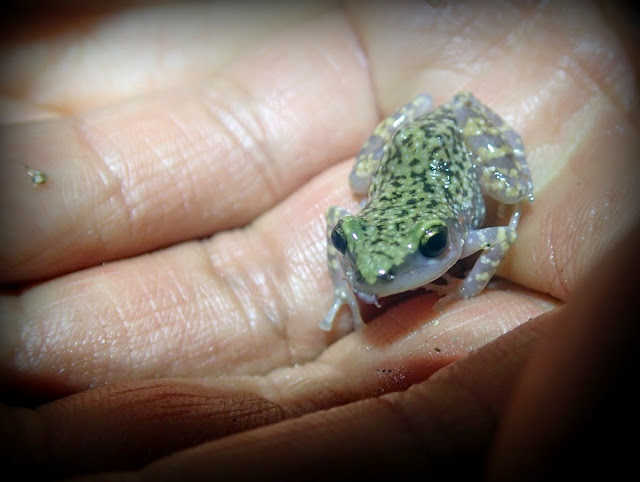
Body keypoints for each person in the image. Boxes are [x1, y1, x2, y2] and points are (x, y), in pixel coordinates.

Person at [1, 2, 638, 479]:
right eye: (356, 252)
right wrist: (346, 275)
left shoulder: (463, 233)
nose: (378, 274)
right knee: (362, 182)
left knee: (512, 189)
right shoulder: (361, 239)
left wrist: (465, 285)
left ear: (440, 240)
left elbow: (498, 234)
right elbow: (343, 216)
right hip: (407, 167)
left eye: (427, 251)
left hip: (449, 156)